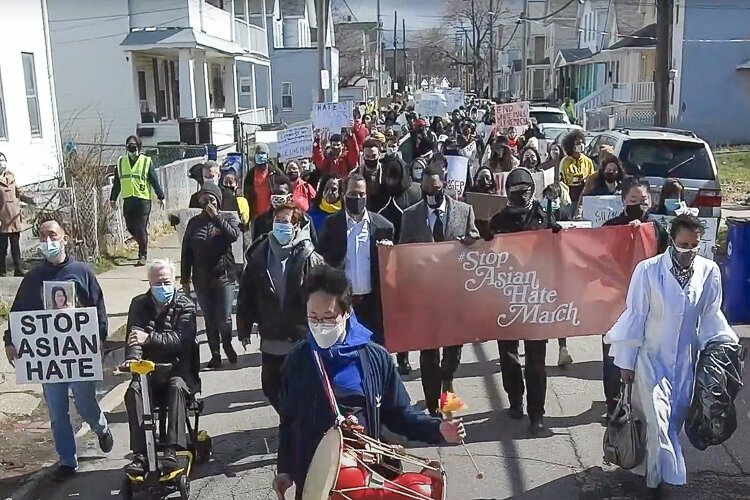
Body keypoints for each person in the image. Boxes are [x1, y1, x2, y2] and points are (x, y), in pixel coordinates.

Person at [273, 265, 466, 498]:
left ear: (346, 313)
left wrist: (438, 429)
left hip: (364, 478)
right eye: (313, 317)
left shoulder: (375, 358)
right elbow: (289, 420)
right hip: (315, 480)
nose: (320, 325)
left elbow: (399, 414)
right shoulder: (297, 360)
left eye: (328, 317)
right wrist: (284, 469)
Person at [604, 214, 738, 498]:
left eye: (694, 245)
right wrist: (626, 363)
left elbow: (711, 315)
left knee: (672, 420)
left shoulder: (708, 270)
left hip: (685, 364)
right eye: (683, 244)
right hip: (650, 360)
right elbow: (636, 316)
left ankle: (656, 473)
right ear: (672, 241)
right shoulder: (648, 270)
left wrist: (722, 349)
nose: (688, 251)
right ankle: (659, 482)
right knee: (656, 418)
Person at [3, 219, 113, 481]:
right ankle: (66, 460)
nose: (47, 241)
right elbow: (19, 313)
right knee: (57, 411)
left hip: (79, 355)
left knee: (85, 403)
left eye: (52, 235)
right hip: (48, 358)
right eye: (42, 236)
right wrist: (9, 340)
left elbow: (98, 309)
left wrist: (99, 340)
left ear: (65, 238)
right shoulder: (33, 279)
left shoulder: (82, 272)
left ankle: (101, 427)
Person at [400, 165, 480, 413]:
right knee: (428, 351)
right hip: (425, 296)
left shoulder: (464, 211)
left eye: (435, 188)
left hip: (455, 293)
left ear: (444, 184)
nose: (431, 193)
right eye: (425, 189)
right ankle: (434, 405)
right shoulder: (411, 215)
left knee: (453, 349)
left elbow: (476, 240)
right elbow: (403, 251)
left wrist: (471, 241)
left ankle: (448, 379)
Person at [488, 168, 561, 435]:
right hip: (506, 297)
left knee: (536, 360)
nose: (521, 196)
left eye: (526, 191)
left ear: (533, 191)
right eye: (515, 192)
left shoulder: (545, 219)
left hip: (536, 298)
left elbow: (562, 250)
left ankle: (537, 415)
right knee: (508, 357)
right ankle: (515, 400)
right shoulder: (497, 222)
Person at [238, 202, 323, 412]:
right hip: (271, 334)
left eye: (286, 222)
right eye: (277, 221)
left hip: (300, 336)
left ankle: (296, 426)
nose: (281, 226)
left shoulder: (308, 256)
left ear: (295, 227)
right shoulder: (259, 255)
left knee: (300, 388)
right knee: (271, 386)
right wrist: (244, 327)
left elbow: (322, 294)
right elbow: (246, 293)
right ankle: (289, 418)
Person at [601, 176, 669, 417]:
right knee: (614, 353)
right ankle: (614, 403)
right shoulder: (611, 228)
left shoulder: (657, 229)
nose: (639, 205)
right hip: (614, 303)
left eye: (643, 200)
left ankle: (639, 401)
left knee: (644, 353)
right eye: (633, 200)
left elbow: (667, 262)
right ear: (623, 201)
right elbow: (597, 262)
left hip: (648, 304)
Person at [123, 259, 198, 475]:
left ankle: (172, 450)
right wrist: (132, 359)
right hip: (149, 373)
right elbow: (134, 337)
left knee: (175, 387)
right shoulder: (139, 304)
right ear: (149, 283)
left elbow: (182, 339)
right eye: (156, 283)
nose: (161, 287)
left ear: (173, 281)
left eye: (165, 281)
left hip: (178, 371)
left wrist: (150, 339)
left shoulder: (186, 305)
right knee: (134, 391)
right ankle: (140, 454)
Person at [317, 174, 395, 346]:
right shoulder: (331, 225)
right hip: (343, 304)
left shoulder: (383, 226)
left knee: (373, 352)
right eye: (353, 194)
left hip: (372, 305)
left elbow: (393, 268)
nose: (358, 198)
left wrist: (389, 253)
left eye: (361, 194)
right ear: (344, 194)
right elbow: (321, 260)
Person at [181, 184, 240, 369]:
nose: (209, 203)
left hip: (223, 276)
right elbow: (186, 252)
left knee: (224, 318)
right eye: (205, 200)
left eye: (212, 200)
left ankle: (227, 343)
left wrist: (216, 217)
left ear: (218, 201)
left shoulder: (227, 218)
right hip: (201, 278)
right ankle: (215, 354)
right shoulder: (194, 223)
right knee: (209, 318)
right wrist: (185, 278)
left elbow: (233, 236)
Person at [110, 135, 166, 266]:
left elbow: (154, 180)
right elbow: (117, 183)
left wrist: (160, 196)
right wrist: (113, 198)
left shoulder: (146, 161)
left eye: (134, 145)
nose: (131, 147)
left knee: (140, 228)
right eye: (129, 145)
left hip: (143, 200)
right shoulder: (121, 162)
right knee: (130, 227)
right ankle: (143, 241)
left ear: (139, 147)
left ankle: (142, 255)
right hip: (128, 200)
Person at [252, 184, 318, 247]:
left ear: (290, 197)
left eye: (281, 193)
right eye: (275, 193)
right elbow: (256, 246)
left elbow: (313, 244)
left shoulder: (304, 219)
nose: (277, 197)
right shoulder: (261, 220)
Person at [0, 153, 33, 276]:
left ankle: (18, 269)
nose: (1, 163)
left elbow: (18, 193)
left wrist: (28, 199)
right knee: (2, 248)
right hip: (2, 220)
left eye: (3, 160)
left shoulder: (11, 178)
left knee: (15, 247)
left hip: (14, 218)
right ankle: (2, 271)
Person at [243, 143, 290, 221]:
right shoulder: (250, 175)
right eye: (258, 153)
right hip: (255, 216)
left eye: (263, 153)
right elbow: (246, 194)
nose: (260, 156)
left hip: (273, 215)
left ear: (267, 156)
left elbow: (286, 187)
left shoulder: (275, 172)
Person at [560, 129, 595, 205]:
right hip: (570, 197)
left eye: (582, 142)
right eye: (578, 143)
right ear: (571, 146)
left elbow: (592, 180)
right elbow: (562, 182)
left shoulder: (588, 161)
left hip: (584, 197)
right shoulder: (565, 162)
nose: (581, 145)